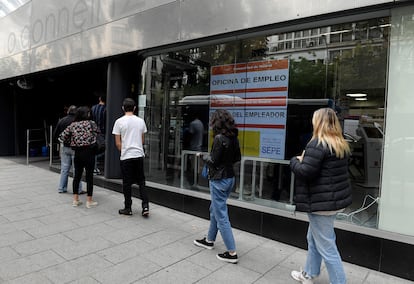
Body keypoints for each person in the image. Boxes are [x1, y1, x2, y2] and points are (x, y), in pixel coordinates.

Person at [289, 107, 352, 284]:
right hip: (333, 201)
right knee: (313, 238)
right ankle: (308, 274)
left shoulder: (317, 144)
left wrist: (295, 161)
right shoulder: (340, 143)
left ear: (319, 123)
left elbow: (305, 172)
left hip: (321, 203)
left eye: (314, 119)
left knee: (327, 247)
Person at [193, 109, 241, 264]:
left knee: (221, 215)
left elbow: (213, 161)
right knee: (215, 209)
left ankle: (232, 252)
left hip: (219, 180)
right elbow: (237, 157)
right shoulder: (234, 137)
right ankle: (209, 240)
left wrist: (202, 156)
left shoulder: (219, 138)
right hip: (229, 178)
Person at [112, 98, 149, 217]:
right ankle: (145, 206)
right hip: (138, 155)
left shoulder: (119, 122)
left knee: (127, 183)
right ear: (134, 108)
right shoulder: (140, 121)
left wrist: (124, 150)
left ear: (123, 108)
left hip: (126, 156)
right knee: (141, 182)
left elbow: (118, 143)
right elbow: (142, 140)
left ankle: (128, 207)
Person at [59, 106, 99, 209]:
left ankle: (75, 200)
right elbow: (97, 135)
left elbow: (62, 137)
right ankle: (89, 201)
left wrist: (73, 141)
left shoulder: (73, 125)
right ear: (87, 114)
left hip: (77, 153)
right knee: (89, 177)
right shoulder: (91, 124)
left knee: (77, 176)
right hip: (89, 152)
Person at [53, 105, 84, 194]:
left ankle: (61, 188)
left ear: (68, 112)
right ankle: (78, 189)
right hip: (76, 148)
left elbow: (55, 134)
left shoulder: (62, 120)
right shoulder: (78, 121)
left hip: (65, 147)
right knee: (77, 169)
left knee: (64, 168)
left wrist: (61, 141)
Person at [91, 94, 106, 175]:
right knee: (105, 148)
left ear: (100, 98)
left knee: (95, 149)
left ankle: (94, 167)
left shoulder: (93, 108)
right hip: (104, 131)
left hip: (95, 131)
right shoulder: (107, 108)